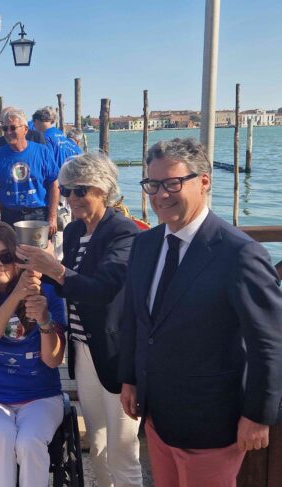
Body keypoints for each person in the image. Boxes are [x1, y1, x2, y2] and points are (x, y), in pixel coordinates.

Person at [119, 138, 282, 487]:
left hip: (212, 423)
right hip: (157, 415)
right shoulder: (145, 244)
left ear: (204, 181)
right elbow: (136, 317)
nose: (161, 195)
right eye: (152, 184)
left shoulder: (240, 254)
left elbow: (269, 343)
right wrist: (130, 378)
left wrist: (258, 416)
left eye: (172, 183)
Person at [18, 153, 143, 487]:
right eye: (67, 189)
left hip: (116, 355)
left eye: (80, 190)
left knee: (122, 449)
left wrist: (54, 268)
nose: (71, 197)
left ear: (103, 189)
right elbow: (67, 285)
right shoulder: (73, 231)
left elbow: (103, 289)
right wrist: (28, 272)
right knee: (97, 443)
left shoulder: (123, 232)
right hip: (83, 351)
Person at [0, 222, 66, 487]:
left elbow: (53, 359)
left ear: (17, 257)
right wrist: (17, 295)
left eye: (6, 256)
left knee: (30, 441)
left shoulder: (48, 293)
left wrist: (44, 319)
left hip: (40, 395)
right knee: (2, 436)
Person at [0, 107, 59, 236]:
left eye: (13, 128)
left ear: (25, 129)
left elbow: (54, 184)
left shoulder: (42, 152)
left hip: (38, 214)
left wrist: (52, 217)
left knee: (40, 249)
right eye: (5, 129)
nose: (8, 132)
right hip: (9, 216)